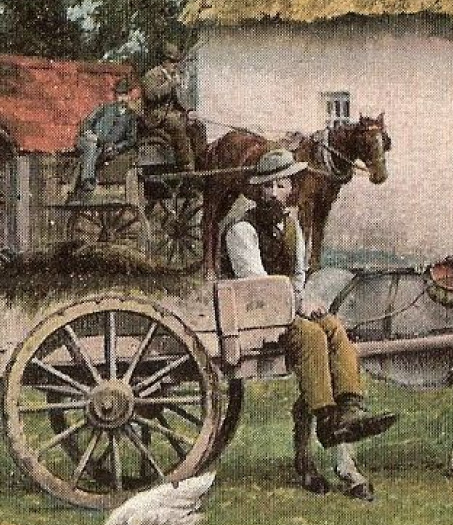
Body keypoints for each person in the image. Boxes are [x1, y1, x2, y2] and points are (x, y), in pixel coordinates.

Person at [222, 149, 397, 447]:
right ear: (257, 191)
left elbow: (298, 274)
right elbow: (256, 283)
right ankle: (327, 420)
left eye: (280, 185)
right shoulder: (242, 230)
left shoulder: (293, 227)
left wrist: (301, 301)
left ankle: (350, 407)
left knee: (334, 328)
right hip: (252, 314)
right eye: (267, 186)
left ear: (291, 188)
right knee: (311, 336)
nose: (273, 193)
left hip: (285, 307)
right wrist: (297, 305)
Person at [72, 78, 140, 200]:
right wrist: (89, 134)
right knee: (91, 146)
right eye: (119, 95)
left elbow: (131, 140)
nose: (122, 98)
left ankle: (83, 192)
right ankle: (87, 180)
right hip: (86, 141)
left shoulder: (131, 117)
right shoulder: (105, 108)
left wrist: (117, 147)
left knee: (101, 153)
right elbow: (86, 122)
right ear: (115, 95)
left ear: (129, 96)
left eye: (125, 95)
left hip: (106, 147)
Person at [140, 42, 198, 172]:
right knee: (176, 123)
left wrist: (189, 111)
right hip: (155, 116)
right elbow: (151, 95)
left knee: (197, 125)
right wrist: (170, 84)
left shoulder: (172, 76)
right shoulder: (151, 75)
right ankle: (185, 164)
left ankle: (200, 159)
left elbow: (178, 101)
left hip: (169, 114)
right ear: (164, 61)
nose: (175, 65)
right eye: (172, 61)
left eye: (176, 61)